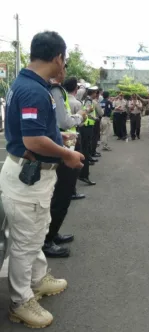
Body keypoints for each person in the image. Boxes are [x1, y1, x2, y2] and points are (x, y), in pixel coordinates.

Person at [0, 31, 84, 328]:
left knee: (35, 231)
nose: (64, 66)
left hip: (29, 175)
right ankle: (21, 301)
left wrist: (57, 136)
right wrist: (66, 154)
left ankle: (37, 279)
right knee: (25, 241)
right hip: (29, 177)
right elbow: (33, 140)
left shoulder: (27, 83)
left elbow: (33, 131)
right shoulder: (35, 90)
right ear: (58, 57)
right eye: (65, 59)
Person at [43, 69, 87, 259]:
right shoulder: (54, 90)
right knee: (61, 194)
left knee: (62, 194)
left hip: (60, 140)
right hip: (61, 145)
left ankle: (52, 233)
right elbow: (63, 120)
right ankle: (48, 239)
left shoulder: (52, 90)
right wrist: (80, 117)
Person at [63, 77, 87, 199]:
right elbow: (81, 122)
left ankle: (67, 190)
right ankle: (71, 191)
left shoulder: (62, 99)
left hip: (63, 136)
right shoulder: (77, 103)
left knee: (64, 164)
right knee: (73, 164)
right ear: (76, 89)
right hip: (73, 136)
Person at [78, 87, 98, 186]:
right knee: (85, 149)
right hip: (86, 126)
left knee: (84, 149)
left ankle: (82, 173)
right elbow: (86, 111)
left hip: (85, 126)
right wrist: (94, 117)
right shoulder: (88, 101)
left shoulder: (84, 100)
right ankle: (83, 174)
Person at [91, 88, 103, 158]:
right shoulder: (95, 102)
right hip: (96, 120)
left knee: (92, 138)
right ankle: (93, 151)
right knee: (95, 137)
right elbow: (101, 113)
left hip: (91, 121)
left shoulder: (89, 101)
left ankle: (92, 151)